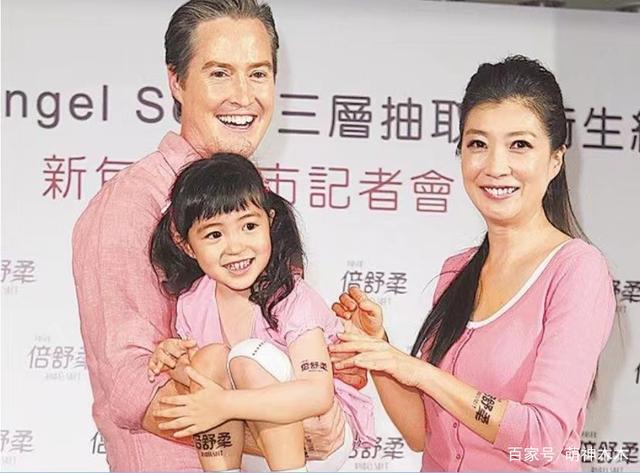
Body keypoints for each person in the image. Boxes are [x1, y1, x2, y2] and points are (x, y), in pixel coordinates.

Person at [72, 1, 363, 470]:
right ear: (177, 81)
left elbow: (283, 354)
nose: (244, 96)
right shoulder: (131, 204)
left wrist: (344, 363)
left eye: (258, 73)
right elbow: (132, 391)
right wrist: (287, 428)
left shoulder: (255, 204)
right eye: (220, 73)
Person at [329, 56, 616, 471]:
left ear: (555, 159)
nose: (495, 166)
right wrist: (380, 351)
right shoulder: (457, 271)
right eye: (478, 144)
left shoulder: (576, 270)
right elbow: (423, 434)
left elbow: (542, 436)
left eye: (520, 145)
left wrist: (421, 373)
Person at [146, 154, 375, 472]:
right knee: (209, 357)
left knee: (248, 357)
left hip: (321, 433)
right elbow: (205, 382)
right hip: (252, 442)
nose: (235, 247)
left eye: (249, 226)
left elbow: (317, 393)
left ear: (270, 221)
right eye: (214, 235)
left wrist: (223, 405)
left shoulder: (292, 297)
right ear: (186, 246)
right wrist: (176, 364)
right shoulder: (192, 302)